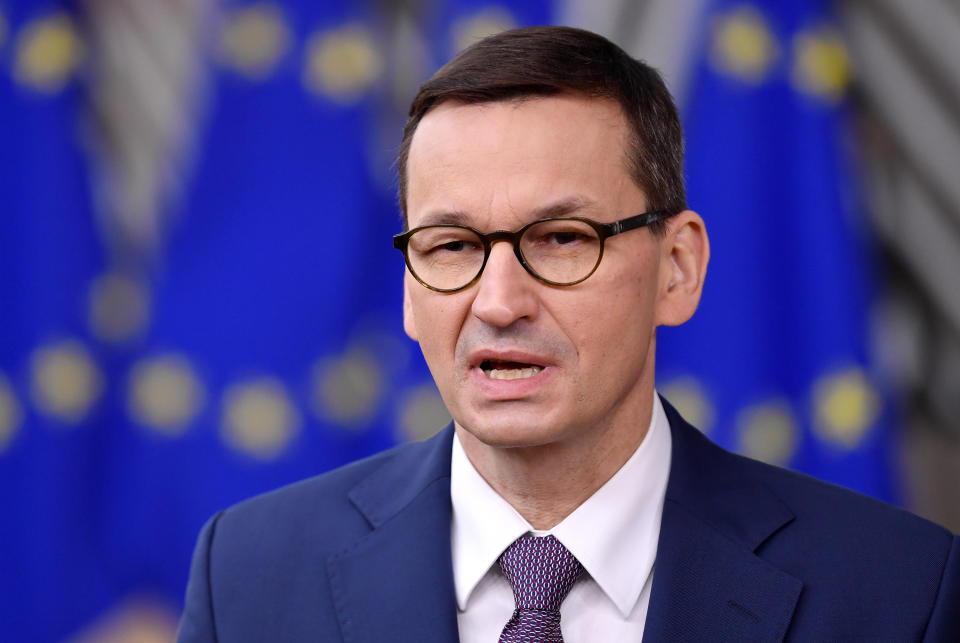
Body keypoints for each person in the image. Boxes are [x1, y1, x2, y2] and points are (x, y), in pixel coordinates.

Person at [178, 26, 959, 642]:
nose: (499, 301)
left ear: (677, 267)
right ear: (409, 289)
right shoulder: (248, 576)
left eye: (560, 238)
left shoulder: (895, 591)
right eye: (452, 246)